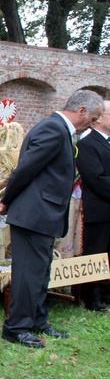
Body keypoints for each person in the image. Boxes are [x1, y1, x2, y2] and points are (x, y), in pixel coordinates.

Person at [0, 90, 104, 348]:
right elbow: (25, 169)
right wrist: (7, 200)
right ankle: (16, 327)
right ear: (81, 112)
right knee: (27, 273)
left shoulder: (60, 130)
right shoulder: (53, 129)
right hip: (33, 213)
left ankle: (37, 319)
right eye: (94, 117)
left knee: (41, 272)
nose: (94, 122)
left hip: (43, 214)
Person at [76, 99, 110, 312]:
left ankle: (106, 293)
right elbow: (95, 178)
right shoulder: (87, 144)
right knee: (96, 253)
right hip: (99, 207)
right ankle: (92, 296)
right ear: (99, 119)